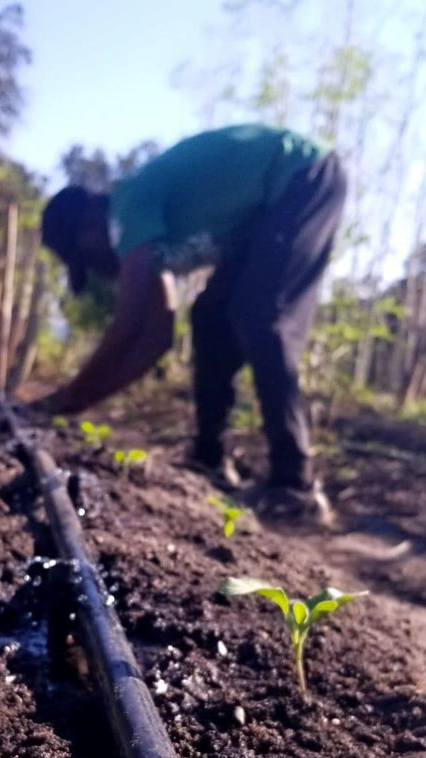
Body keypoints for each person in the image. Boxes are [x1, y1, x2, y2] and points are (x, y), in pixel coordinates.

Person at [33, 124, 346, 520]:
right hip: (264, 211)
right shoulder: (148, 236)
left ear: (90, 223)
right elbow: (154, 340)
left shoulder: (128, 207)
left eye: (87, 257)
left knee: (261, 316)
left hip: (300, 175)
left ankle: (294, 483)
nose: (98, 269)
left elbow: (128, 324)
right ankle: (208, 457)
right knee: (209, 317)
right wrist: (83, 399)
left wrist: (67, 395)